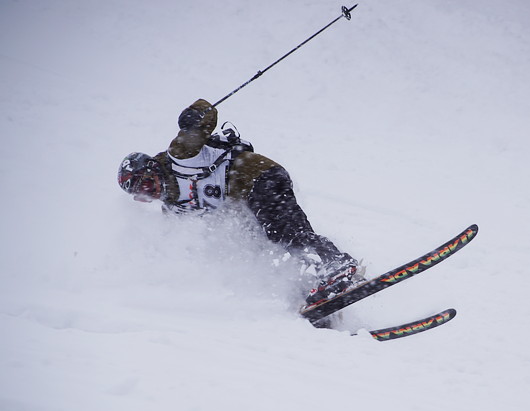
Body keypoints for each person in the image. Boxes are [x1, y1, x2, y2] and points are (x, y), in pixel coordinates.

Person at [117, 99, 363, 312]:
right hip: (242, 204)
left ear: (153, 169)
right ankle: (312, 289)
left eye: (147, 185)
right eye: (142, 195)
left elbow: (207, 111)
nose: (151, 194)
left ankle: (337, 264)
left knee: (282, 231)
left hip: (258, 177)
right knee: (259, 248)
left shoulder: (180, 154)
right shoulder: (173, 209)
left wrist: (192, 117)